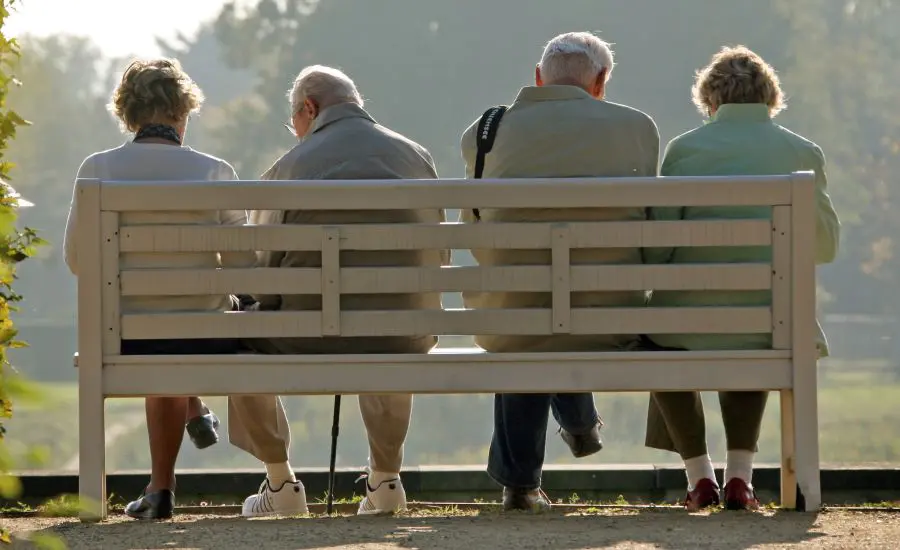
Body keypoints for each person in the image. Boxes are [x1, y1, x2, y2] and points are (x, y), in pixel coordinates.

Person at [229, 65, 447, 517]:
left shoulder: (289, 168)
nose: (296, 133)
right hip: (403, 336)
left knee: (237, 335)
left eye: (296, 123)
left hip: (305, 336)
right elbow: (438, 257)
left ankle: (280, 484)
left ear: (308, 108)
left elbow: (260, 279)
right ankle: (386, 481)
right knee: (394, 315)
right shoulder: (416, 157)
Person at [459, 32, 660, 512]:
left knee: (527, 312)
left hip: (512, 315)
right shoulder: (637, 128)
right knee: (568, 297)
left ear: (537, 78)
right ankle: (580, 421)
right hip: (610, 318)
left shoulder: (483, 132)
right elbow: (651, 223)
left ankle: (521, 485)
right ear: (600, 81)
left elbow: (474, 227)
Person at [643, 45, 840, 511]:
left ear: (710, 100)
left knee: (655, 338)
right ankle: (740, 479)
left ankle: (699, 477)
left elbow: (657, 250)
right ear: (770, 98)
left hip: (685, 328)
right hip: (771, 323)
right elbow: (826, 247)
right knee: (757, 328)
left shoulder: (684, 150)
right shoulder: (802, 152)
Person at [63, 58, 256, 519]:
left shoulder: (98, 169)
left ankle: (161, 487)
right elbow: (246, 266)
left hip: (126, 333)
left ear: (128, 113)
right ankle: (174, 455)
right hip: (203, 333)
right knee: (185, 327)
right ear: (182, 110)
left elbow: (77, 261)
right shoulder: (214, 171)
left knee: (158, 332)